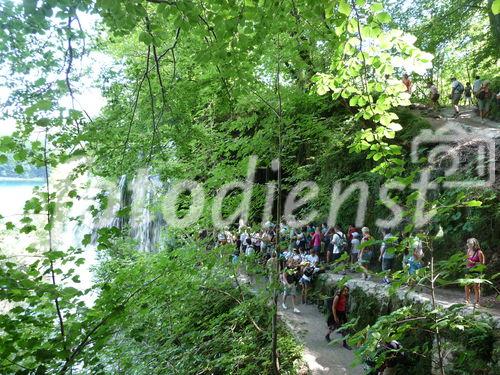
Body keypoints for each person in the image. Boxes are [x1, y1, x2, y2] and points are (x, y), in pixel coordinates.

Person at [464, 238, 486, 306]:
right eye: (468, 243)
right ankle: (467, 300)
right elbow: (467, 260)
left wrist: (473, 262)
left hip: (477, 271)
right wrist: (466, 265)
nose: (468, 245)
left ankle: (477, 302)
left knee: (476, 287)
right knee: (467, 285)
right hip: (468, 270)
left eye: (470, 244)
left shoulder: (479, 252)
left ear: (474, 244)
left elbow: (482, 264)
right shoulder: (468, 250)